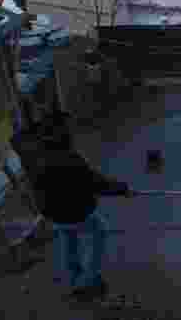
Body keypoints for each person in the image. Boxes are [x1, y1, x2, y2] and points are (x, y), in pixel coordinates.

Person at [29, 112, 133, 300]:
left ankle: (75, 277)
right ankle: (87, 281)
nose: (72, 134)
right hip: (77, 213)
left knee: (69, 240)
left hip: (55, 214)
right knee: (100, 231)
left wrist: (46, 213)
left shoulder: (39, 158)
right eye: (68, 130)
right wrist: (123, 189)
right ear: (62, 135)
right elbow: (97, 183)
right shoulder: (71, 159)